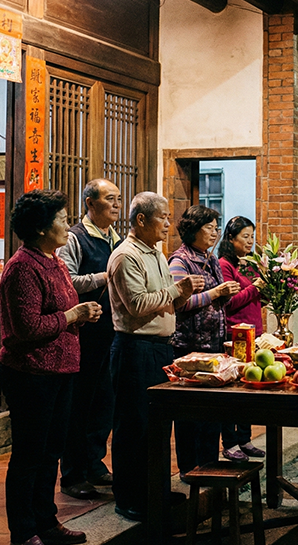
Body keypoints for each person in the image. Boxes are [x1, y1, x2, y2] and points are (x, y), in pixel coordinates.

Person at [0, 190, 102, 545]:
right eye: (60, 219)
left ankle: (47, 521)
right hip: (31, 373)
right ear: (42, 228)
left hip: (61, 370)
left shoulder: (54, 260)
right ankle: (24, 532)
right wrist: (73, 315)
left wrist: (80, 315)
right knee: (29, 456)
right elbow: (25, 328)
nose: (67, 226)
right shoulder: (21, 267)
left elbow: (58, 311)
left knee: (51, 453)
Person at [106, 192, 205, 522]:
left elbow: (165, 302)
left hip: (160, 348)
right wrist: (178, 291)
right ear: (140, 220)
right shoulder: (125, 256)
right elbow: (136, 304)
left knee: (156, 427)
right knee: (133, 426)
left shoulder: (157, 255)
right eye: (162, 217)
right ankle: (130, 498)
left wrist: (182, 296)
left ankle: (156, 490)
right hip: (135, 349)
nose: (168, 223)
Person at [57, 179, 122, 500]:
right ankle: (73, 473)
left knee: (105, 402)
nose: (117, 205)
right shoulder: (74, 237)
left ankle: (95, 463)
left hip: (113, 332)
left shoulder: (117, 239)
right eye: (110, 199)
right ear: (90, 203)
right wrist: (104, 277)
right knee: (79, 404)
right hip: (83, 334)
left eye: (119, 199)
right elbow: (66, 281)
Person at [168, 205, 241, 476]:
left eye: (215, 227)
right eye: (209, 227)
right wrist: (214, 294)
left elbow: (216, 296)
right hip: (190, 348)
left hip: (213, 345)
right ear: (193, 229)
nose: (215, 233)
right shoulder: (180, 260)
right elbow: (179, 303)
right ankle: (191, 468)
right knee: (191, 416)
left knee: (212, 413)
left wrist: (226, 293)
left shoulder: (209, 259)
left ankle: (211, 467)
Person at [218, 215, 266, 461]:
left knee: (248, 389)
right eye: (245, 237)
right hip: (234, 334)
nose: (250, 241)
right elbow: (230, 303)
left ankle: (245, 439)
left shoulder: (249, 263)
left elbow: (254, 297)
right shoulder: (225, 264)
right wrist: (255, 288)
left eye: (252, 236)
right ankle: (230, 442)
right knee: (231, 391)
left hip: (254, 333)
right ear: (231, 238)